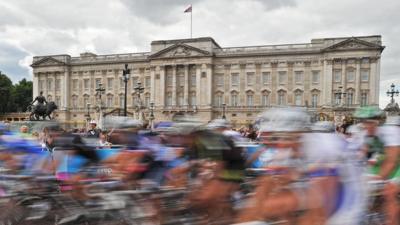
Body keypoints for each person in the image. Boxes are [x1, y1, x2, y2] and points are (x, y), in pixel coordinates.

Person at [354, 107, 400, 225]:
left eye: (370, 122)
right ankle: (373, 213)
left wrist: (379, 177)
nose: (366, 125)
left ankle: (392, 221)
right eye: (364, 122)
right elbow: (363, 157)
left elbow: (391, 161)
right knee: (363, 191)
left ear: (378, 122)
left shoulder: (390, 133)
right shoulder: (365, 134)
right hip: (381, 164)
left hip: (397, 166)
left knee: (389, 191)